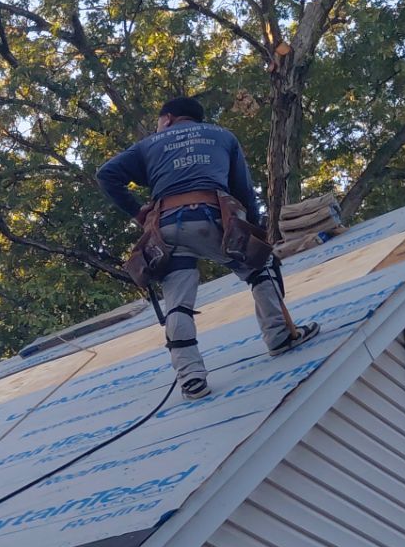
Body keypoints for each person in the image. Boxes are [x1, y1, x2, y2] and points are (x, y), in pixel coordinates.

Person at [97, 96, 318, 401]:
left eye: (159, 121)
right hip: (215, 220)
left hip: (169, 228)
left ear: (169, 118)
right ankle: (280, 336)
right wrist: (255, 233)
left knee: (177, 303)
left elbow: (106, 175)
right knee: (260, 268)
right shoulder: (222, 136)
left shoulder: (150, 144)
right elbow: (242, 189)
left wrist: (138, 213)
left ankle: (191, 379)